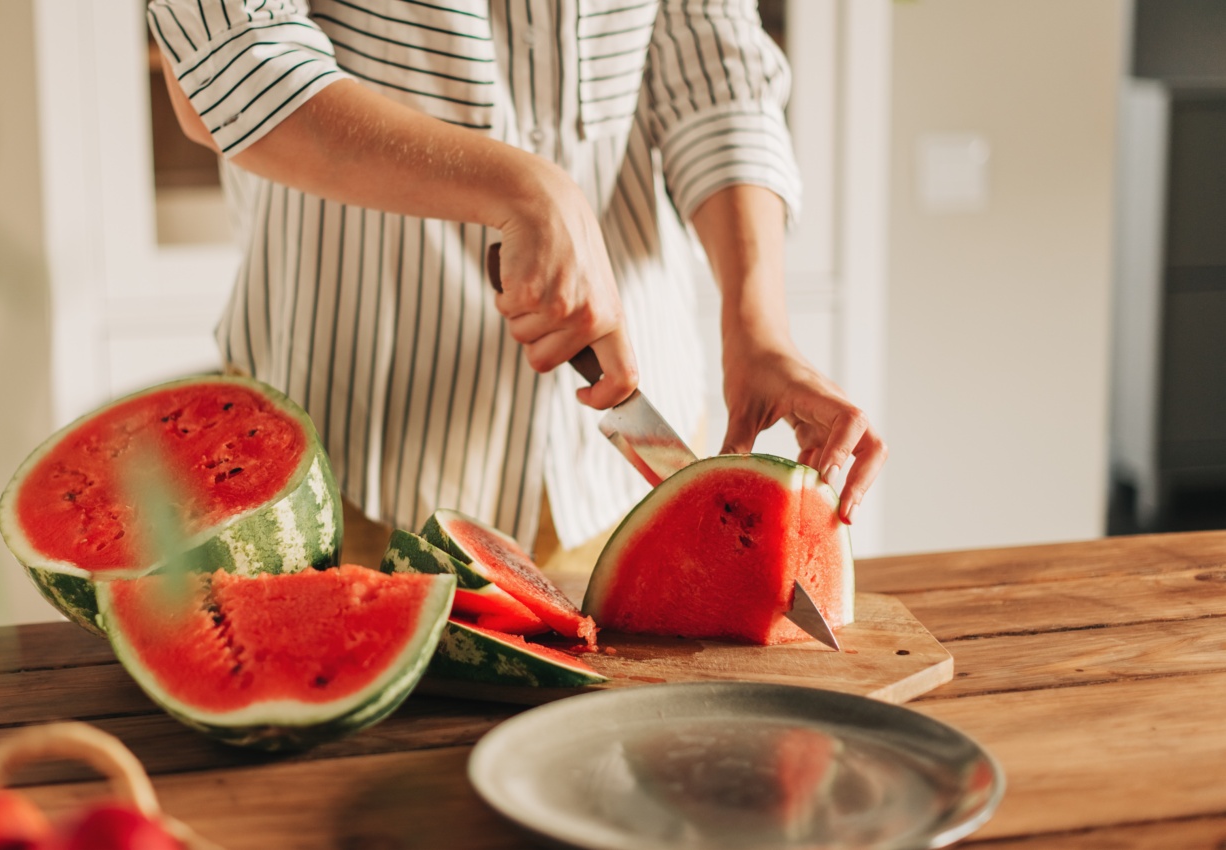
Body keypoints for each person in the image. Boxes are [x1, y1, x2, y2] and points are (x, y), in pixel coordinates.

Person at [147, 0, 885, 569]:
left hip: (626, 473)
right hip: (342, 455)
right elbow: (230, 61)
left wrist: (758, 328)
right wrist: (528, 190)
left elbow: (711, 62)